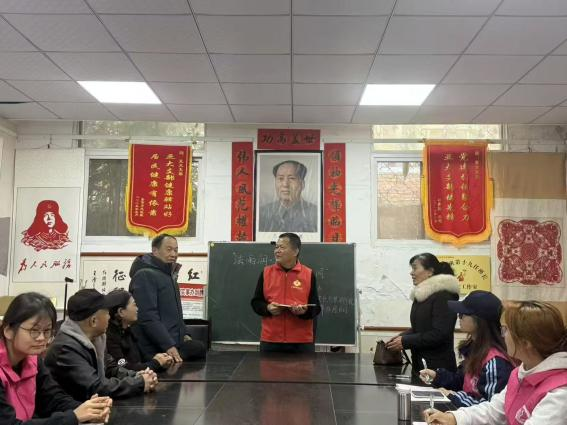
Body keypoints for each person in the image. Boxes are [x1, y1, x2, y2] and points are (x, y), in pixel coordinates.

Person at [426, 301, 567, 425]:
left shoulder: (559, 393)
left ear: (525, 343)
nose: (503, 335)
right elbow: (494, 411)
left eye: (505, 330)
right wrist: (454, 418)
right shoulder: (520, 373)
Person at [0, 292, 112, 424]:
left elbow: (53, 398)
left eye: (47, 331)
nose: (42, 338)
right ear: (8, 330)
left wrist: (91, 409)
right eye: (34, 331)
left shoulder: (33, 361)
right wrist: (74, 417)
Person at [45, 289, 157, 401]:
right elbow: (96, 387)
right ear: (93, 321)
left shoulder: (97, 338)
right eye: (107, 313)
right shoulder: (66, 349)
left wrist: (136, 375)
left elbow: (111, 368)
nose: (109, 317)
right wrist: (139, 383)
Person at [419, 291, 515, 407]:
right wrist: (437, 376)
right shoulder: (474, 348)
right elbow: (462, 381)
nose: (459, 317)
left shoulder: (496, 363)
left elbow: (490, 408)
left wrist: (453, 397)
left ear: (479, 320)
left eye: (462, 314)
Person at [129, 234, 206, 363]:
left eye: (176, 250)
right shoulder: (145, 275)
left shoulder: (169, 275)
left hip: (174, 342)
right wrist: (168, 345)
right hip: (155, 347)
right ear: (155, 251)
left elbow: (176, 314)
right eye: (169, 249)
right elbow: (147, 317)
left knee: (198, 348)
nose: (173, 254)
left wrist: (185, 334)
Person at [386, 253, 460, 374]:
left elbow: (440, 334)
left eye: (415, 268)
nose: (411, 273)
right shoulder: (422, 296)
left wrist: (406, 341)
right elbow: (421, 328)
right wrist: (400, 338)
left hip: (438, 370)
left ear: (430, 271)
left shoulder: (443, 296)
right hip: (421, 365)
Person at [251, 232, 321, 353]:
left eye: (282, 247)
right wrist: (267, 308)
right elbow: (256, 302)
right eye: (276, 247)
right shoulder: (266, 272)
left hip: (301, 342)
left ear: (295, 251)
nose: (277, 251)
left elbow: (316, 307)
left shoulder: (308, 274)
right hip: (271, 340)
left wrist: (303, 312)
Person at [105, 289, 173, 372]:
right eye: (134, 305)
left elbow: (142, 360)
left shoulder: (128, 331)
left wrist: (161, 361)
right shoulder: (109, 337)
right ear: (121, 312)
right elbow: (124, 367)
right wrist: (156, 363)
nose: (137, 309)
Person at [258, 160, 318, 233]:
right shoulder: (262, 213)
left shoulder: (316, 214)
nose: (285, 184)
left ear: (302, 184)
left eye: (291, 178)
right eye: (280, 178)